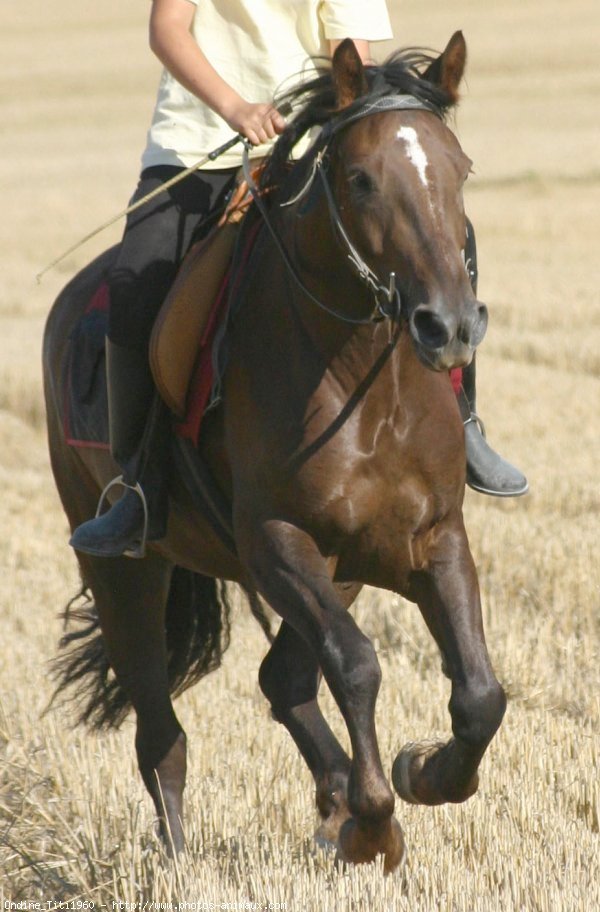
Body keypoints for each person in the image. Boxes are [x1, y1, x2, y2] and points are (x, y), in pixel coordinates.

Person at [70, 0, 526, 561]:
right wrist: (235, 108)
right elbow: (167, 28)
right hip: (197, 141)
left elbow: (353, 58)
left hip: (316, 143)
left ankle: (466, 422)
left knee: (445, 246)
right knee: (139, 280)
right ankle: (138, 485)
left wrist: (350, 117)